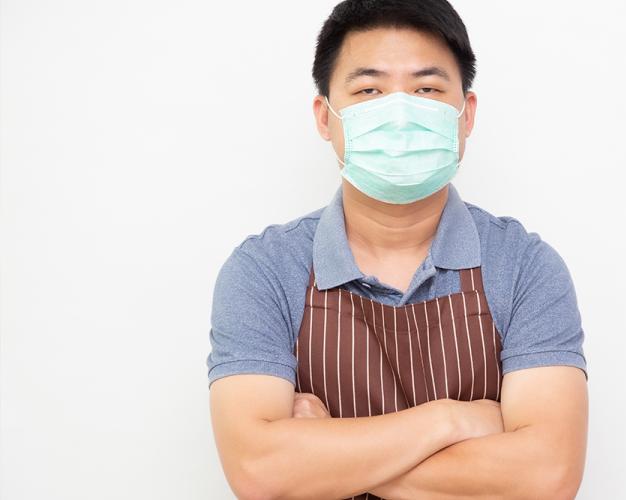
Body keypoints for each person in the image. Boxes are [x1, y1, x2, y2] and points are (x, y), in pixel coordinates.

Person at [206, 1, 589, 498]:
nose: (400, 112)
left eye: (426, 89)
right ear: (326, 117)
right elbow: (260, 473)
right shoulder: (263, 271)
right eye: (369, 91)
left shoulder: (524, 267)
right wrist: (451, 419)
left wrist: (321, 455)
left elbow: (546, 476)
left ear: (464, 114)